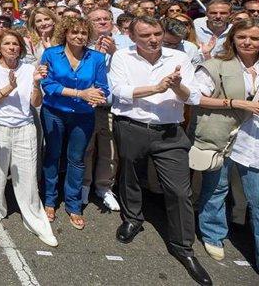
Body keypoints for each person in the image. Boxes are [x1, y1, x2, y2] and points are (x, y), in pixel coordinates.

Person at [108, 16, 211, 286]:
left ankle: (183, 247)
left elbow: (194, 97)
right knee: (129, 176)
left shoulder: (178, 57)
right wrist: (156, 87)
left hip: (170, 132)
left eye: (156, 33)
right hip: (131, 126)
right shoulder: (122, 57)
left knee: (179, 190)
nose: (153, 39)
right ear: (132, 37)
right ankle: (133, 218)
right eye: (146, 35)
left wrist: (177, 85)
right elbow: (118, 91)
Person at [190, 18, 259, 267]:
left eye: (254, 38)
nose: (248, 42)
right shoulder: (217, 65)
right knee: (216, 189)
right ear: (232, 40)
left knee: (257, 199)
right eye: (242, 37)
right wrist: (236, 103)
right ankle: (213, 234)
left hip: (255, 145)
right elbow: (195, 98)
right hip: (223, 137)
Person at [0, 29, 57, 247]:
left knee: (28, 175)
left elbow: (36, 103)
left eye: (15, 44)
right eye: (7, 44)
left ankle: (34, 217)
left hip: (25, 127)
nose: (12, 47)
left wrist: (35, 83)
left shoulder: (29, 69)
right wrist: (9, 87)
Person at [40, 16, 108, 230]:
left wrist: (98, 97)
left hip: (83, 114)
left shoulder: (96, 58)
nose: (79, 36)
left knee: (77, 160)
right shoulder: (51, 54)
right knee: (52, 155)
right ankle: (49, 200)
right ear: (65, 34)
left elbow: (103, 86)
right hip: (54, 112)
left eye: (83, 33)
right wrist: (81, 93)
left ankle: (73, 204)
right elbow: (48, 84)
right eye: (74, 32)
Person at [81, 8, 122, 212]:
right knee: (86, 148)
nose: (103, 22)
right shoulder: (82, 44)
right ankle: (85, 184)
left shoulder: (125, 44)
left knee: (110, 150)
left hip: (113, 107)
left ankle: (104, 187)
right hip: (88, 105)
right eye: (97, 19)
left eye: (106, 18)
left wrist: (115, 53)